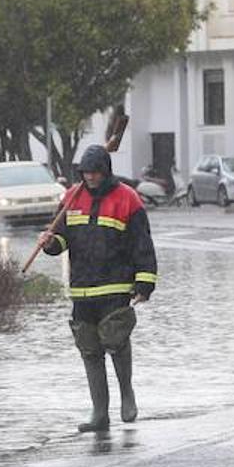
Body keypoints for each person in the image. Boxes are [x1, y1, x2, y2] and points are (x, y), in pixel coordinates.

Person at [35, 144, 158, 432]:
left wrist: (145, 282)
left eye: (95, 173)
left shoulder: (128, 199)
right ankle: (99, 413)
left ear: (105, 172)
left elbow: (142, 244)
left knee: (116, 341)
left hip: (115, 286)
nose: (90, 178)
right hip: (82, 289)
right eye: (86, 173)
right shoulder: (71, 197)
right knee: (89, 350)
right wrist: (51, 243)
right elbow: (62, 239)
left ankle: (127, 396)